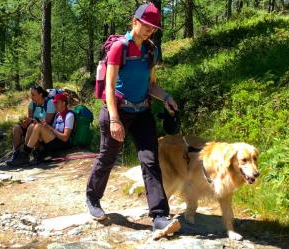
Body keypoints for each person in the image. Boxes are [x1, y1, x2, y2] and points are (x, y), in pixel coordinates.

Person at [85, 3, 181, 238]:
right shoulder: (119, 47)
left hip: (142, 112)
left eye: (153, 27)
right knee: (107, 156)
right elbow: (108, 86)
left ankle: (159, 216)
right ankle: (93, 198)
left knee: (150, 161)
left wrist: (166, 97)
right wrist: (115, 120)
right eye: (146, 25)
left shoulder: (151, 50)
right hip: (116, 109)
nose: (149, 30)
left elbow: (150, 85)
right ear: (134, 21)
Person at [12, 93, 73, 166]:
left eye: (57, 103)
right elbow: (52, 130)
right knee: (33, 126)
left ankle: (25, 155)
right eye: (54, 103)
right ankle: (26, 154)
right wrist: (44, 125)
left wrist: (49, 128)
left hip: (61, 144)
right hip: (54, 140)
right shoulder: (58, 115)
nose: (55, 105)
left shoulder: (69, 115)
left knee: (39, 127)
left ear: (64, 103)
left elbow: (65, 138)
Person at [5, 85, 56, 165]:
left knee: (33, 127)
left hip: (44, 130)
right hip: (32, 127)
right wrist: (26, 122)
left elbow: (48, 122)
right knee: (17, 128)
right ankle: (16, 154)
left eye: (33, 94)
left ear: (40, 94)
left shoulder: (49, 103)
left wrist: (32, 121)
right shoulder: (32, 104)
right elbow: (30, 118)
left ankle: (27, 154)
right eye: (31, 94)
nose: (31, 97)